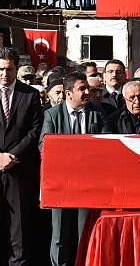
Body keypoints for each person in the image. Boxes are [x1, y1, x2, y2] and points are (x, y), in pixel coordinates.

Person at [0, 47, 43, 266]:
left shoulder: (29, 95)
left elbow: (34, 130)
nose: (5, 73)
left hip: (19, 171)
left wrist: (11, 156)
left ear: (16, 69)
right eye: (1, 69)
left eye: (10, 69)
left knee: (18, 232)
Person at [39, 71, 111, 266]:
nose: (87, 92)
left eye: (87, 87)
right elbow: (44, 145)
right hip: (61, 184)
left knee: (85, 233)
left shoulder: (97, 112)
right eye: (82, 89)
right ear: (68, 93)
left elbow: (107, 144)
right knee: (60, 236)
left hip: (88, 184)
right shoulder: (52, 114)